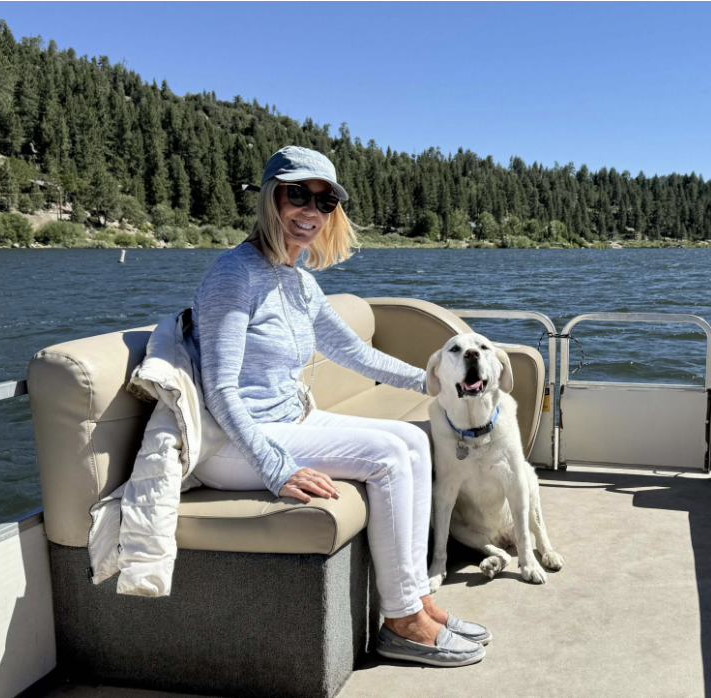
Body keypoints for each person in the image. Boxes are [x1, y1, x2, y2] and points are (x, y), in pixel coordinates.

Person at [191, 146, 488, 667]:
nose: (310, 210)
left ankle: (417, 597)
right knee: (388, 457)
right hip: (234, 443)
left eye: (325, 202)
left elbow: (352, 351)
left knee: (414, 440)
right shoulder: (233, 274)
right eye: (297, 194)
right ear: (269, 197)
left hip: (287, 421)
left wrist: (435, 380)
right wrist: (275, 466)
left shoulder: (299, 280)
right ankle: (399, 622)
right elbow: (219, 390)